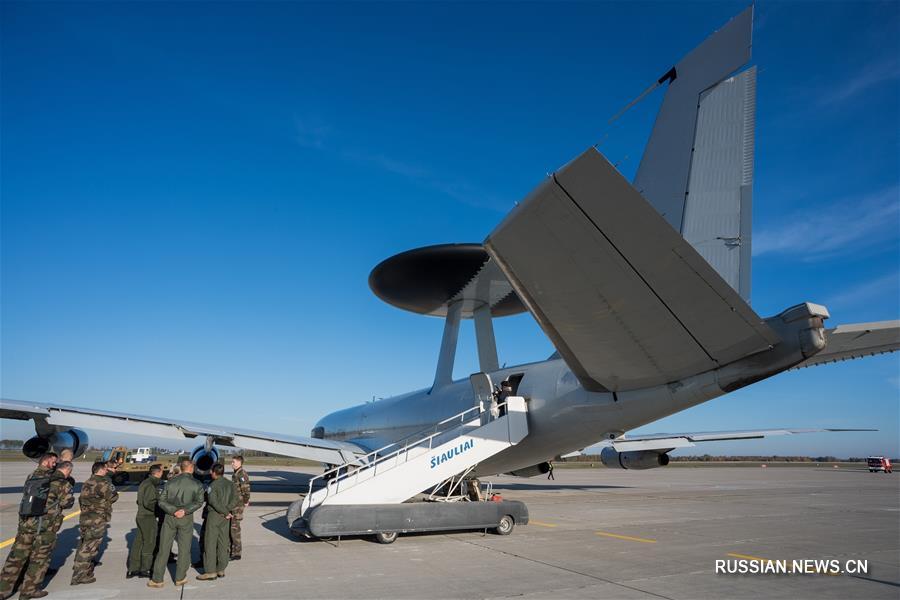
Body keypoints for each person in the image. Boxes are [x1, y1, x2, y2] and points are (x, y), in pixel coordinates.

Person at [0, 453, 59, 600]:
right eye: (53, 462)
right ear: (46, 462)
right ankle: (29, 591)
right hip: (40, 526)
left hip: (25, 524)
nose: (55, 465)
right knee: (38, 560)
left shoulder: (31, 476)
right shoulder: (52, 480)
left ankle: (3, 590)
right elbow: (64, 500)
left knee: (15, 558)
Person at [147, 459, 203, 588]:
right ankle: (180, 578)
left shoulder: (170, 482)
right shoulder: (196, 484)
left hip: (170, 517)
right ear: (191, 468)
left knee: (164, 548)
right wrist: (184, 510)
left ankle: (157, 579)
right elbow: (199, 502)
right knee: (184, 549)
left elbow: (161, 501)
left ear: (182, 468)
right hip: (186, 518)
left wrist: (173, 510)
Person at [71, 461, 118, 585]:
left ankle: (80, 567)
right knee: (89, 547)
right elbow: (113, 497)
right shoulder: (103, 483)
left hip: (85, 518)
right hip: (97, 519)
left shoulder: (88, 482)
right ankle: (79, 576)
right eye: (106, 469)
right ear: (102, 470)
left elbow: (81, 499)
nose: (107, 471)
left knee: (83, 543)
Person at [197, 464, 236, 581]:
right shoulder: (231, 484)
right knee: (223, 542)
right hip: (226, 517)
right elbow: (235, 500)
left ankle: (210, 571)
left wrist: (223, 511)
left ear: (214, 472)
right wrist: (227, 511)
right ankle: (221, 569)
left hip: (214, 516)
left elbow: (213, 501)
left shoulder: (212, 485)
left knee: (210, 543)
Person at [127, 464, 163, 579]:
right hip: (148, 517)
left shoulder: (144, 483)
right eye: (161, 471)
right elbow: (149, 502)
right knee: (149, 542)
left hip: (141, 515)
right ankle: (145, 568)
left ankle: (133, 568)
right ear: (157, 473)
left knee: (138, 542)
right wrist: (160, 510)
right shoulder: (151, 485)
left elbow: (139, 501)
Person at [229, 456, 250, 560]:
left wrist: (246, 501)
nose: (231, 463)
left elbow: (245, 489)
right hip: (234, 504)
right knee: (233, 527)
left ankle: (237, 553)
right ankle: (233, 550)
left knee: (235, 528)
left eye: (233, 462)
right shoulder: (236, 473)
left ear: (239, 462)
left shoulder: (241, 474)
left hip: (238, 504)